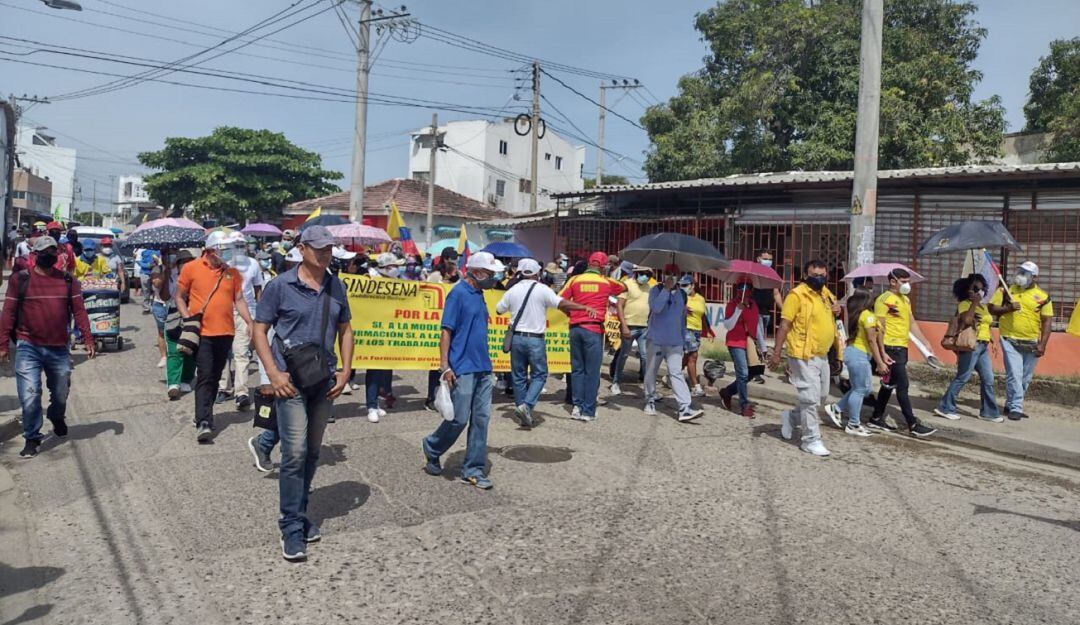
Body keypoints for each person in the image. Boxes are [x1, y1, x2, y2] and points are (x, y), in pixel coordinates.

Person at [251, 225, 353, 562]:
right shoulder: (280, 286)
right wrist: (274, 373)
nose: (325, 254)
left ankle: (301, 510)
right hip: (289, 382)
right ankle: (291, 526)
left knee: (311, 452)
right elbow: (259, 330)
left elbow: (346, 329)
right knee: (293, 453)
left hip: (323, 380)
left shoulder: (336, 286)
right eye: (319, 248)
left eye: (329, 249)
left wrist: (346, 369)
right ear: (302, 248)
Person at [0, 236, 96, 458]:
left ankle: (56, 415)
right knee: (30, 395)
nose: (49, 255)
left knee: (61, 392)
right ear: (35, 255)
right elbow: (9, 313)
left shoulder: (68, 281)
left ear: (58, 254)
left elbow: (80, 312)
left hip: (58, 348)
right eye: (44, 252)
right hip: (28, 346)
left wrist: (88, 339)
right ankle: (32, 437)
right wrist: (3, 344)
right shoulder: (20, 280)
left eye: (53, 251)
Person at [421, 251, 504, 489]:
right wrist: (445, 366)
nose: (492, 278)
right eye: (489, 274)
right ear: (476, 272)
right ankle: (433, 446)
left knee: (481, 419)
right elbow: (446, 331)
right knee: (458, 418)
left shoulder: (479, 295)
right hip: (462, 368)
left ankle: (473, 469)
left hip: (483, 368)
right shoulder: (457, 294)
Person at [497, 258, 597, 428]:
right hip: (535, 339)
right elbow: (562, 303)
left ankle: (522, 411)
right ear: (537, 273)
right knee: (540, 374)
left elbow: (499, 309)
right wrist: (583, 307)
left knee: (519, 376)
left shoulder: (513, 290)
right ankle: (526, 406)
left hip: (516, 339)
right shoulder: (542, 289)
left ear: (521, 272)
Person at [175, 230, 254, 442]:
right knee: (206, 375)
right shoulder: (191, 268)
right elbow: (179, 297)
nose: (228, 254)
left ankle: (203, 412)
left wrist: (250, 321)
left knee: (216, 375)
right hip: (202, 333)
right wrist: (188, 319)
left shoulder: (232, 273)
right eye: (224, 249)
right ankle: (204, 422)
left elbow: (239, 300)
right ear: (210, 250)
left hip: (226, 333)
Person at [767, 260, 838, 456]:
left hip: (822, 354)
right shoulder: (796, 295)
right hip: (802, 353)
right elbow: (784, 325)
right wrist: (776, 352)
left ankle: (790, 417)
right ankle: (810, 440)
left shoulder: (826, 294)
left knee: (821, 397)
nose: (819, 278)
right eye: (814, 275)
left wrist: (837, 310)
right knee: (810, 398)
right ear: (805, 276)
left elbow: (832, 316)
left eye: (823, 275)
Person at [865, 269, 937, 438]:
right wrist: (882, 354)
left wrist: (925, 341)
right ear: (892, 281)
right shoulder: (884, 300)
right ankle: (912, 423)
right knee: (903, 386)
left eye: (908, 281)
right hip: (890, 348)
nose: (907, 285)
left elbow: (911, 322)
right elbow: (879, 329)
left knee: (888, 386)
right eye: (903, 281)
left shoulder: (904, 300)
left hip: (901, 347)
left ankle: (876, 417)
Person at [560, 252, 625, 422]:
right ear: (603, 266)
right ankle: (588, 411)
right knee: (592, 372)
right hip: (594, 330)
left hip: (575, 328)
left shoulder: (574, 280)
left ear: (589, 263)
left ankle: (576, 406)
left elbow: (559, 300)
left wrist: (569, 312)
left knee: (577, 369)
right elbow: (623, 287)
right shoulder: (606, 282)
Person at [932, 274, 1001, 423]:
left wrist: (992, 340)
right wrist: (974, 303)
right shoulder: (964, 304)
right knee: (963, 376)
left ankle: (988, 412)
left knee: (988, 379)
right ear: (967, 289)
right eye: (975, 288)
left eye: (981, 288)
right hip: (970, 346)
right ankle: (945, 407)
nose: (979, 291)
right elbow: (967, 320)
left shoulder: (983, 306)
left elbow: (987, 324)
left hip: (983, 345)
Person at [990, 261, 1053, 421]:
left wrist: (1042, 344)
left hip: (1031, 341)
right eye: (1019, 271)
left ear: (1034, 277)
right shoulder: (1006, 290)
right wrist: (1008, 308)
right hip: (1009, 338)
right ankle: (1017, 407)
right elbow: (992, 308)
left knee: (1025, 377)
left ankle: (1010, 404)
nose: (1021, 275)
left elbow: (1047, 322)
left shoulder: (1043, 297)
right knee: (1015, 375)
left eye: (1025, 273)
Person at [824, 286, 890, 437]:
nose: (874, 298)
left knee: (863, 389)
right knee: (861, 389)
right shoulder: (868, 316)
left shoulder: (863, 315)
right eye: (872, 295)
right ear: (867, 299)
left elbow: (877, 337)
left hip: (856, 354)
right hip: (859, 355)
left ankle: (837, 408)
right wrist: (880, 362)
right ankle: (853, 423)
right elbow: (872, 341)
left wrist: (883, 354)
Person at [641, 267, 704, 422]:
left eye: (675, 274)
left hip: (675, 341)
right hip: (656, 339)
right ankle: (649, 399)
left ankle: (684, 407)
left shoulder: (682, 294)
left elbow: (682, 318)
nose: (672, 277)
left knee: (676, 372)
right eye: (669, 273)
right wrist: (666, 290)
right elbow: (656, 308)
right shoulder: (656, 290)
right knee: (651, 371)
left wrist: (682, 339)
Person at [217, 232, 265, 411]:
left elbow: (258, 289)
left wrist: (259, 315)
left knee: (241, 353)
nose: (238, 248)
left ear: (245, 246)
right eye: (234, 245)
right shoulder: (223, 265)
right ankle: (224, 387)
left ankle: (241, 392)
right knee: (223, 352)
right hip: (224, 312)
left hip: (246, 313)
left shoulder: (253, 264)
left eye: (240, 245)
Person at [364, 253, 403, 422]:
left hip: (389, 330)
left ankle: (382, 398)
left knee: (387, 366)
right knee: (373, 368)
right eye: (395, 266)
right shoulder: (369, 280)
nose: (398, 269)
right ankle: (371, 405)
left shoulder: (396, 282)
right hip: (373, 330)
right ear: (387, 268)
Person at [423, 247, 461, 410]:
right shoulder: (434, 276)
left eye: (455, 260)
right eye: (450, 260)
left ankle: (448, 396)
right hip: (435, 324)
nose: (452, 263)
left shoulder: (459, 278)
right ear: (444, 259)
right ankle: (431, 397)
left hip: (453, 324)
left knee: (451, 362)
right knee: (435, 363)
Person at [719, 280, 761, 418]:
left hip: (749, 343)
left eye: (747, 287)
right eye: (741, 287)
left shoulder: (754, 305)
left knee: (751, 373)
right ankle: (744, 405)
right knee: (742, 373)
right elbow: (727, 325)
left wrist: (763, 346)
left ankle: (728, 392)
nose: (744, 289)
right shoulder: (732, 304)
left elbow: (757, 326)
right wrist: (737, 311)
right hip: (735, 341)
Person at [610, 264, 654, 395]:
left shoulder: (649, 287)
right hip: (629, 326)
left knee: (645, 356)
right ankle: (616, 382)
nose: (646, 276)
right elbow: (619, 306)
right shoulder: (627, 284)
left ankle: (647, 385)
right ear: (636, 273)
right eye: (644, 273)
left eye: (649, 274)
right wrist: (623, 325)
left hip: (644, 327)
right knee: (623, 355)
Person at [158, 250, 197, 398]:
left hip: (193, 318)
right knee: (174, 351)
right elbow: (164, 296)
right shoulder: (172, 277)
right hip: (174, 318)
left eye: (189, 261)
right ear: (178, 265)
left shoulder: (198, 278)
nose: (186, 265)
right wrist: (166, 274)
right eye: (183, 262)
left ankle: (186, 379)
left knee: (190, 351)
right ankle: (173, 384)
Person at [750, 250, 785, 384]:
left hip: (766, 311)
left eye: (770, 259)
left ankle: (756, 367)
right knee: (758, 339)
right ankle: (762, 356)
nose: (768, 261)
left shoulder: (772, 274)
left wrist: (784, 309)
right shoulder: (753, 273)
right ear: (758, 258)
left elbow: (776, 293)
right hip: (754, 310)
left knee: (758, 340)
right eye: (765, 258)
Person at [681, 275, 709, 397]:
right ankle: (695, 386)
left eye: (685, 285)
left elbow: (702, 315)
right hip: (686, 329)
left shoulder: (700, 298)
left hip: (697, 330)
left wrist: (708, 330)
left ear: (692, 285)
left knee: (687, 358)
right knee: (693, 356)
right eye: (681, 285)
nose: (683, 288)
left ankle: (673, 373)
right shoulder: (681, 297)